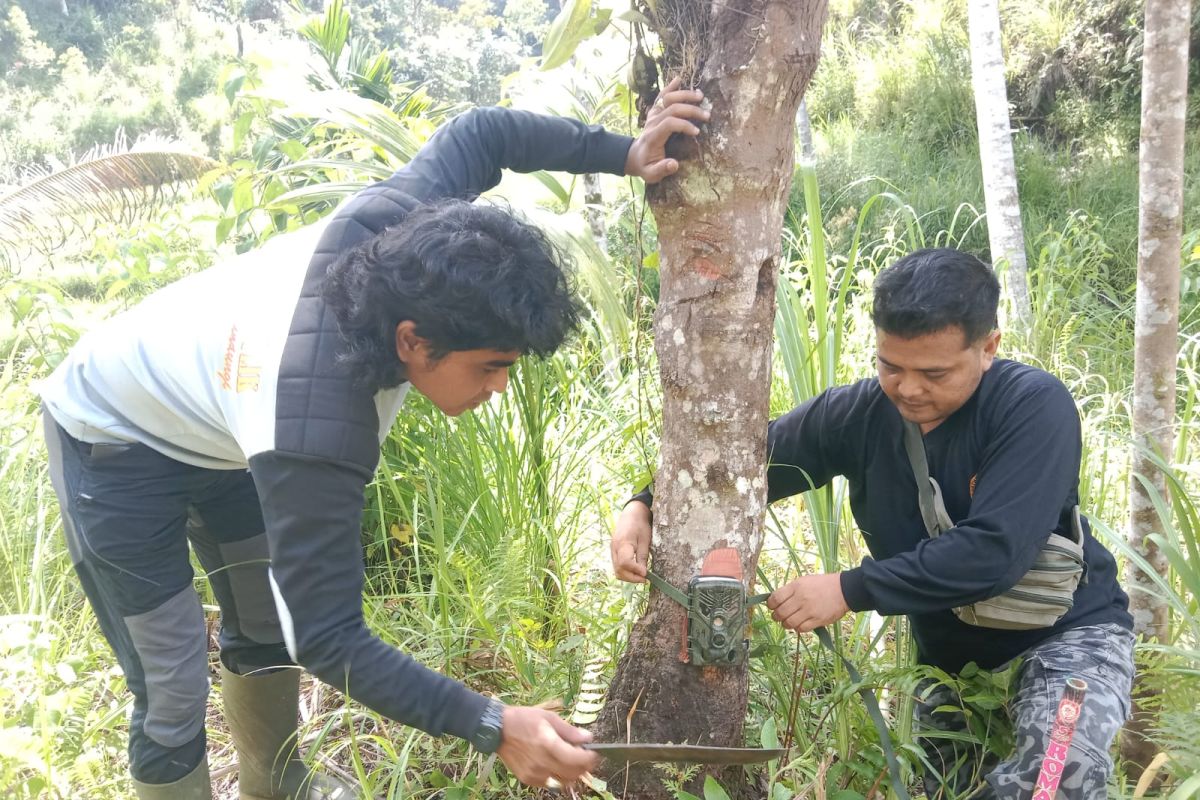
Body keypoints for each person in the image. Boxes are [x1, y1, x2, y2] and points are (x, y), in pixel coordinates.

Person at [39, 82, 710, 799]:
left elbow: (483, 132)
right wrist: (491, 724)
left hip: (225, 425)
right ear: (412, 340)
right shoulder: (315, 427)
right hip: (111, 440)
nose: (497, 388)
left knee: (264, 632)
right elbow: (327, 637)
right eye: (489, 366)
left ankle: (277, 786)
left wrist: (624, 153)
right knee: (172, 681)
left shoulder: (412, 234)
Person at [611, 248, 1135, 798]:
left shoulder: (1031, 407)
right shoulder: (856, 416)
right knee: (945, 790)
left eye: (934, 373)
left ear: (988, 348)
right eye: (891, 366)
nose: (908, 389)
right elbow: (738, 469)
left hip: (1068, 640)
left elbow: (994, 553)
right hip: (948, 667)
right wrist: (642, 506)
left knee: (1056, 781)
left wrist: (848, 589)